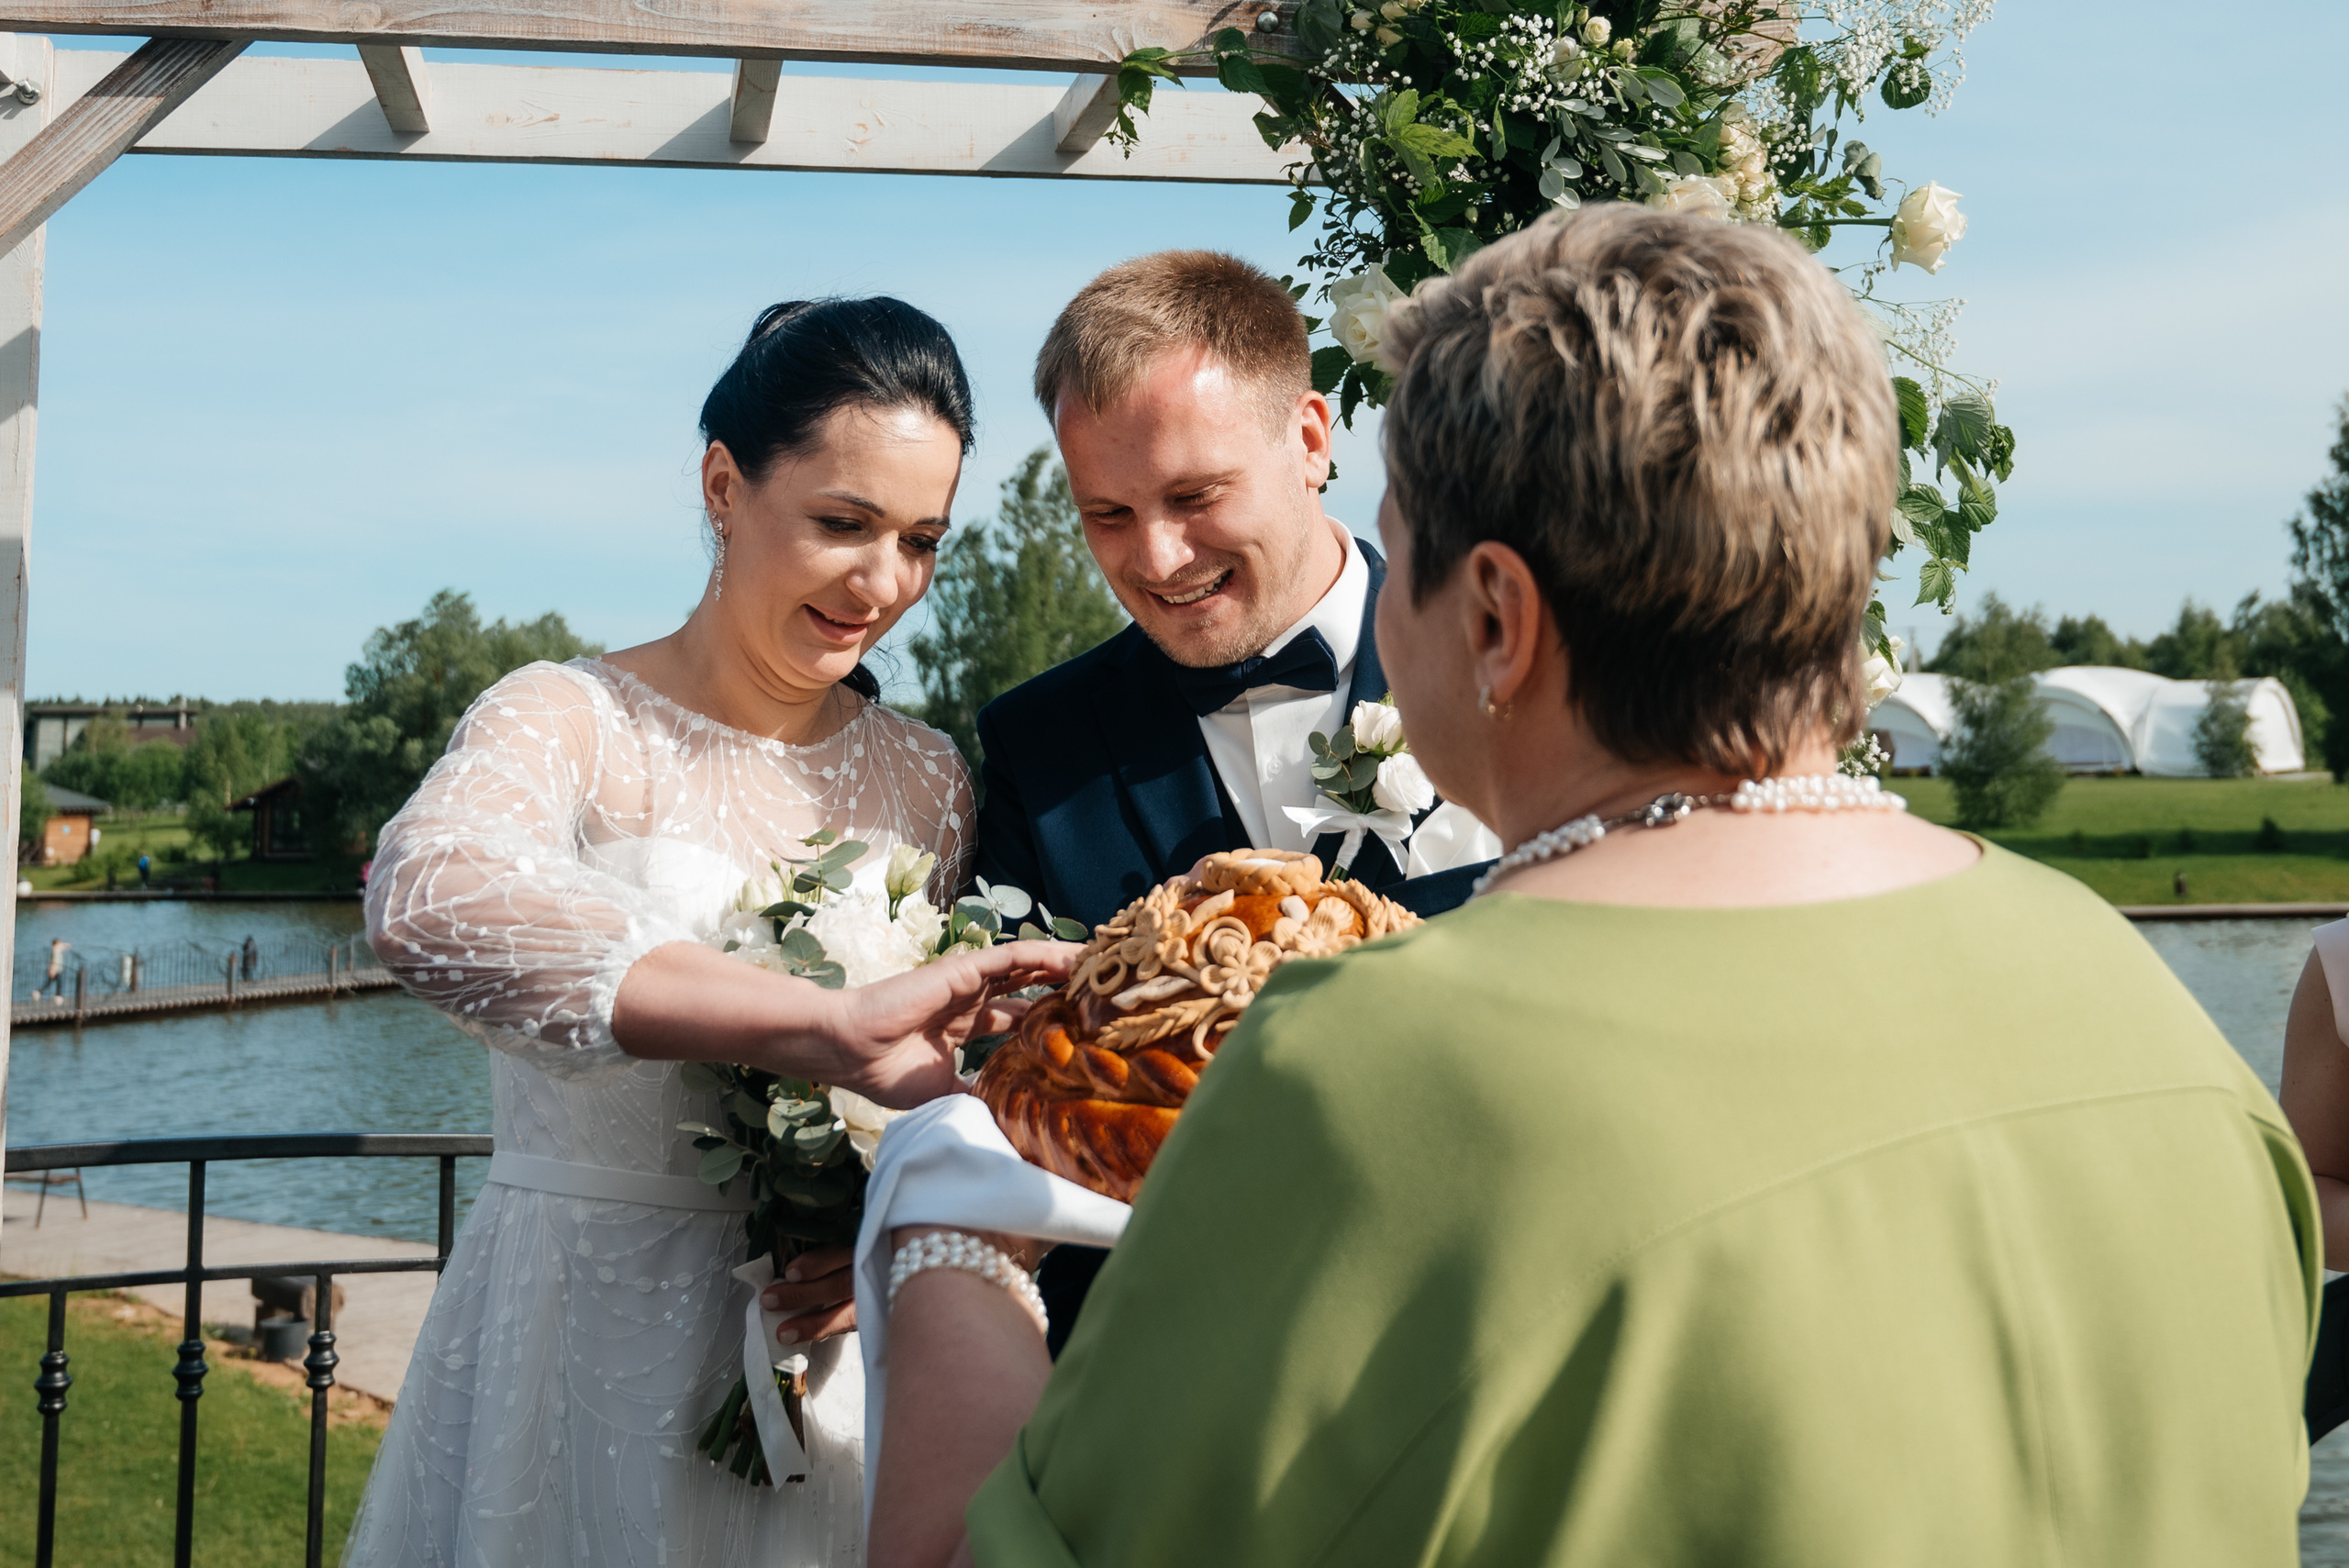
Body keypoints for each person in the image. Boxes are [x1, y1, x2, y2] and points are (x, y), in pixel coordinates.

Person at [867, 206, 2320, 1567]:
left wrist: (944, 1233)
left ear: (1493, 613)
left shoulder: (1362, 1076)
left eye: (1407, 550)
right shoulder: (2159, 1020)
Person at [344, 297, 1072, 1568]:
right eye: (843, 524)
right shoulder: (569, 716)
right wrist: (824, 1027)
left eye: (920, 540)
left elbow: (943, 1088)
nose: (883, 582)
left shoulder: (929, 778)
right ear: (724, 487)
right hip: (572, 1344)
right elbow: (428, 897)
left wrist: (875, 1227)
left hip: (823, 1368)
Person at [971, 250, 1499, 1349]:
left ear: (1310, 439)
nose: (1156, 556)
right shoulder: (1037, 745)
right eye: (1106, 513)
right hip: (1168, 1365)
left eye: (1193, 495)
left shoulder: (1507, 659)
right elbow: (1024, 1086)